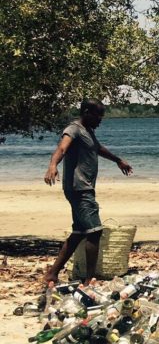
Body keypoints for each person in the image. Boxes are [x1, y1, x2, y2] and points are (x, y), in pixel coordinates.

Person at [42, 99, 133, 285]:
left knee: (79, 232)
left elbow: (97, 148)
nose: (100, 119)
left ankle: (52, 273)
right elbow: (62, 148)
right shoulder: (73, 129)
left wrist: (117, 160)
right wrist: (52, 165)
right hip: (80, 188)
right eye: (97, 115)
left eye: (102, 115)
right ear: (85, 112)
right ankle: (89, 279)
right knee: (94, 232)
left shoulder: (88, 131)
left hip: (82, 188)